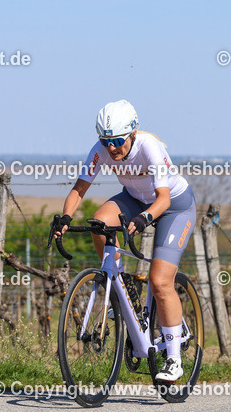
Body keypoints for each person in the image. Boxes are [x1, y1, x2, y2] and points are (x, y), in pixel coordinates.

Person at [52, 100, 196, 382]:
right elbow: (79, 189)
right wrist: (65, 218)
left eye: (117, 141)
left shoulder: (149, 147)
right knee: (99, 224)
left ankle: (174, 360)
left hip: (174, 206)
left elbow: (163, 198)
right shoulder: (101, 151)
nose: (111, 148)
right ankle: (117, 281)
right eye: (105, 141)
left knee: (160, 281)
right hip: (134, 199)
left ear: (132, 133)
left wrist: (144, 218)